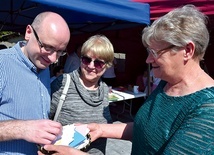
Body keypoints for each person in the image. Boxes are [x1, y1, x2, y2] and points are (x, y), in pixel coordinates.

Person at [38, 5, 214, 155]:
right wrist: (100, 129)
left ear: (188, 50)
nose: (148, 60)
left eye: (154, 53)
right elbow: (144, 128)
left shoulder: (207, 109)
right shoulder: (166, 84)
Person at [0, 11, 70, 155]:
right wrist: (23, 129)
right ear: (28, 32)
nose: (53, 59)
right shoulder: (2, 64)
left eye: (59, 51)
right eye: (48, 47)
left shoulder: (44, 67)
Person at [50, 35, 114, 154]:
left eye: (98, 63)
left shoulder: (104, 89)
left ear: (107, 65)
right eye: (86, 59)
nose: (90, 66)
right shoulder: (63, 83)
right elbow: (43, 120)